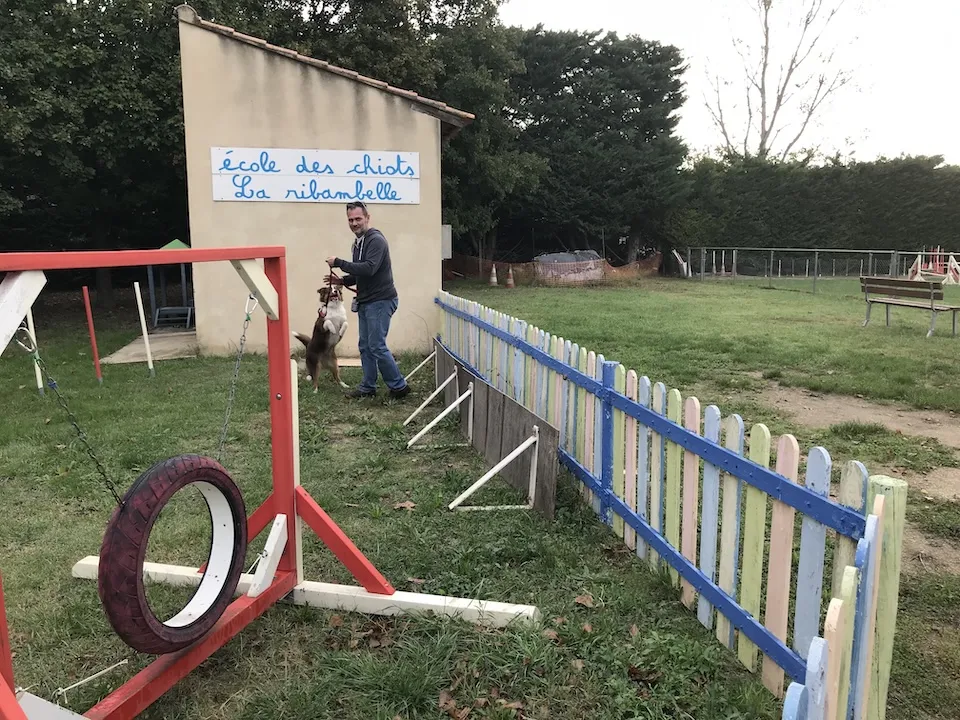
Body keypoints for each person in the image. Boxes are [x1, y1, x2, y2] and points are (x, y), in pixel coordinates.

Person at [325, 201, 410, 399]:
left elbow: (369, 268)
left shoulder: (376, 240)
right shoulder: (358, 243)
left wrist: (339, 263)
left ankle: (399, 387)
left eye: (358, 219)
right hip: (366, 301)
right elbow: (361, 273)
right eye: (350, 220)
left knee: (377, 345)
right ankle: (368, 387)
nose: (354, 223)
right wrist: (342, 279)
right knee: (365, 345)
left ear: (367, 218)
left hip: (381, 301)